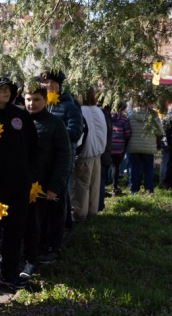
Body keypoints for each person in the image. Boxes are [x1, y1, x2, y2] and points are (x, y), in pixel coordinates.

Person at [0, 72, 37, 290]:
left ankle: (10, 272)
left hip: (20, 185)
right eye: (1, 87)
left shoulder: (20, 115)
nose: (7, 91)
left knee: (16, 229)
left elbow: (34, 146)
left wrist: (30, 173)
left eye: (9, 88)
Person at [21, 80, 71, 279]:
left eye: (36, 99)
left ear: (45, 99)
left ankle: (48, 251)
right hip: (26, 183)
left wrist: (55, 186)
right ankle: (29, 253)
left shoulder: (55, 124)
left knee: (47, 221)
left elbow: (63, 157)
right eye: (28, 99)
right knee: (29, 223)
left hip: (47, 184)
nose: (32, 103)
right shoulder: (21, 121)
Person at [38, 69, 83, 263]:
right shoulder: (41, 104)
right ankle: (41, 240)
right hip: (43, 163)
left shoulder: (68, 106)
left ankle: (55, 244)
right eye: (44, 82)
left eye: (50, 82)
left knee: (59, 201)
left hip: (62, 161)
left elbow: (75, 132)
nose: (47, 85)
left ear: (59, 85)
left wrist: (52, 129)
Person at [73, 87, 107, 222]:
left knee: (82, 185)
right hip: (97, 153)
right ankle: (92, 211)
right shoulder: (98, 110)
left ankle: (80, 213)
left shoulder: (81, 111)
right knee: (94, 184)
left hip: (85, 153)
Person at [126, 103, 163, 194]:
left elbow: (127, 130)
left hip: (133, 146)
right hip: (148, 146)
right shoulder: (153, 116)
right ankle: (149, 190)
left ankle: (134, 189)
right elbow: (160, 132)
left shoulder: (130, 116)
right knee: (148, 168)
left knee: (134, 167)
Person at [110, 102, 131, 194]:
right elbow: (128, 134)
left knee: (105, 166)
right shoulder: (124, 119)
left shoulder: (106, 117)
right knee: (116, 166)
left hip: (107, 146)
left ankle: (103, 185)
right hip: (119, 147)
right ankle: (114, 187)